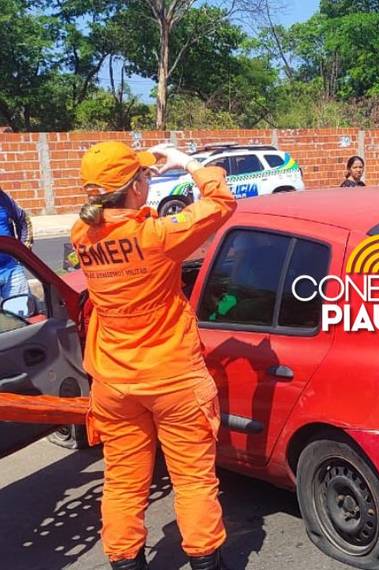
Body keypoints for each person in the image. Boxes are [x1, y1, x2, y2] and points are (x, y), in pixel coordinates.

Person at [72, 141, 237, 570]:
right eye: (143, 175)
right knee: (193, 479)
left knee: (123, 482)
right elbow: (221, 201)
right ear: (134, 187)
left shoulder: (81, 235)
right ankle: (205, 559)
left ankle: (126, 560)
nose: (148, 179)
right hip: (173, 378)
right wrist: (188, 163)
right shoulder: (158, 236)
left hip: (114, 382)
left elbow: (114, 222)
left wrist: (142, 186)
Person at [0, 188, 32, 299]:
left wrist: (23, 250)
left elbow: (23, 220)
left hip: (11, 268)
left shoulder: (4, 198)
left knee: (22, 307)